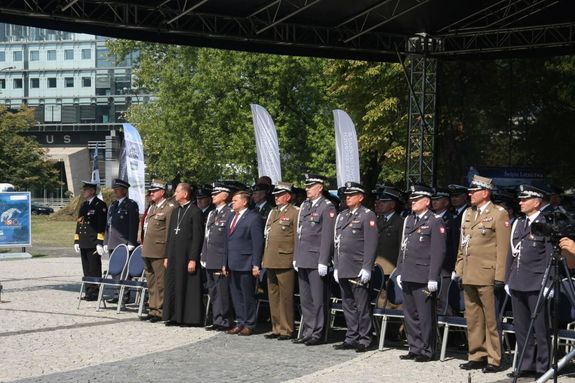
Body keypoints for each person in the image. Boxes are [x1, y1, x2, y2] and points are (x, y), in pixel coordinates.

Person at [453, 175, 510, 373]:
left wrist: (500, 277)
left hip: (488, 274)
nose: (470, 194)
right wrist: (459, 270)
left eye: (473, 191)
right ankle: (476, 354)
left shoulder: (498, 214)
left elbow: (503, 249)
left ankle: (494, 359)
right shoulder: (468, 213)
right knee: (473, 318)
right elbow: (463, 244)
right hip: (469, 273)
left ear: (485, 193)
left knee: (491, 320)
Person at [505, 185, 552, 379]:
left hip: (536, 283)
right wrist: (508, 278)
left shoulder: (544, 223)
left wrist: (548, 282)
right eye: (520, 199)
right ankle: (526, 364)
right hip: (518, 281)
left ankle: (543, 367)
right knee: (522, 328)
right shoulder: (518, 223)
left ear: (537, 201)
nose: (520, 202)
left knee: (540, 329)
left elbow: (550, 255)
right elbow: (512, 253)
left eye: (525, 199)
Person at [396, 184, 446, 362]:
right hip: (409, 273)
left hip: (424, 275)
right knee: (410, 314)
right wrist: (400, 270)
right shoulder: (409, 220)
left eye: (416, 200)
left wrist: (433, 277)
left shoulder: (434, 221)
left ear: (427, 201)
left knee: (425, 316)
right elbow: (403, 248)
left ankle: (427, 350)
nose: (413, 202)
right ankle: (414, 347)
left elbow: (438, 251)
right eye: (412, 200)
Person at [332, 182, 378, 352]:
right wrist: (336, 266)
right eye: (346, 195)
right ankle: (351, 336)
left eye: (351, 195)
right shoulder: (342, 215)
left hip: (358, 267)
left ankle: (365, 338)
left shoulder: (367, 215)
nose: (347, 197)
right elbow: (337, 243)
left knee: (361, 306)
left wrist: (367, 266)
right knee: (348, 305)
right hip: (343, 266)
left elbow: (371, 243)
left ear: (360, 197)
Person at [292, 173, 336, 346]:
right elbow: (299, 233)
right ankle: (308, 330)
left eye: (310, 186)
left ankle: (318, 332)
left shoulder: (327, 207)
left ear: (320, 187)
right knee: (306, 299)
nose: (307, 189)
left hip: (317, 259)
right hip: (303, 257)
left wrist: (324, 260)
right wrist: (296, 256)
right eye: (307, 186)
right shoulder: (305, 205)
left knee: (318, 299)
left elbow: (327, 237)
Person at [222, 190, 264, 336]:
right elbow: (227, 242)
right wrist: (224, 263)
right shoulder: (231, 217)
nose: (232, 203)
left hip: (246, 262)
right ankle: (240, 321)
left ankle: (250, 323)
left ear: (244, 202)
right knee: (236, 295)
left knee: (247, 295)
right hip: (232, 262)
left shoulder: (253, 218)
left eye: (234, 200)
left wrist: (256, 264)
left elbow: (257, 243)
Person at [262, 182, 299, 340]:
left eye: (279, 195)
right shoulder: (273, 212)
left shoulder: (295, 212)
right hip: (271, 258)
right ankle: (276, 327)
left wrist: (296, 258)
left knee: (285, 296)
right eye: (275, 195)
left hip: (285, 258)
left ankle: (287, 329)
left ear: (288, 196)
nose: (276, 198)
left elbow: (298, 237)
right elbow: (267, 236)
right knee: (273, 295)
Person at [163, 183, 204, 326]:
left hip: (187, 256)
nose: (174, 194)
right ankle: (173, 316)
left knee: (186, 285)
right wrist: (167, 255)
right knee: (173, 284)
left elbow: (197, 238)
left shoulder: (195, 212)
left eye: (177, 192)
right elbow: (170, 236)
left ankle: (187, 318)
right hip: (174, 255)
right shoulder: (175, 212)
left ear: (185, 194)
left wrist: (193, 258)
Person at [141, 179, 176, 322]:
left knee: (161, 283)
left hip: (160, 250)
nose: (151, 193)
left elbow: (169, 232)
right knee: (151, 282)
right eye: (150, 191)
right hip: (148, 250)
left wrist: (167, 253)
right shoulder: (152, 207)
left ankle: (162, 310)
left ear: (162, 192)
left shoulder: (169, 207)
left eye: (154, 191)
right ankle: (153, 309)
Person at [201, 182, 235, 331]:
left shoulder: (230, 212)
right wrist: (204, 254)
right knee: (213, 291)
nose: (213, 196)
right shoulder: (212, 213)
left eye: (216, 194)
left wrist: (225, 261)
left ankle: (225, 320)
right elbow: (206, 237)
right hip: (210, 257)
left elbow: (229, 239)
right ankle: (217, 318)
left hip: (221, 258)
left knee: (222, 292)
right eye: (213, 194)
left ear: (225, 196)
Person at [104, 178, 139, 303]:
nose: (115, 191)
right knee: (114, 270)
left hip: (123, 243)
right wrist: (105, 241)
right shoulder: (113, 205)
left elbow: (133, 225)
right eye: (114, 189)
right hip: (113, 242)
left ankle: (125, 295)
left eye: (117, 189)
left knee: (124, 271)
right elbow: (108, 225)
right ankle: (116, 293)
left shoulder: (131, 205)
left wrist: (131, 242)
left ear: (124, 190)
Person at [74, 180, 107, 301]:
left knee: (94, 268)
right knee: (86, 268)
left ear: (92, 191)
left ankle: (95, 292)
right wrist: (77, 240)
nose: (83, 192)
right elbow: (79, 223)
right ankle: (88, 291)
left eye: (86, 190)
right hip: (84, 241)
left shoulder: (100, 205)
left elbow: (101, 224)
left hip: (93, 242)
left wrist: (100, 242)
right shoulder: (84, 205)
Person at [431, 187, 458, 314]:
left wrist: (454, 267)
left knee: (444, 302)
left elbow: (454, 245)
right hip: (431, 267)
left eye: (438, 199)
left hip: (445, 267)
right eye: (433, 199)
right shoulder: (431, 219)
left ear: (446, 203)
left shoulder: (451, 220)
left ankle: (450, 334)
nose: (434, 202)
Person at [374, 187, 404, 276]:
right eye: (380, 202)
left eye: (384, 202)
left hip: (390, 268)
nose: (380, 204)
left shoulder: (400, 222)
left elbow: (401, 248)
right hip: (375, 267)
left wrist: (399, 269)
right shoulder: (377, 220)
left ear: (392, 205)